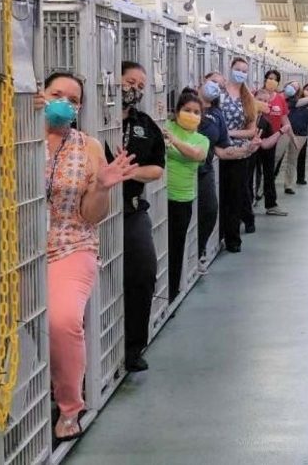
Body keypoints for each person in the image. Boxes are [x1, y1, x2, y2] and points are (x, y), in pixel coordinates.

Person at [36, 72, 137, 440]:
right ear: (40, 96)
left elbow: (92, 216)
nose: (63, 102)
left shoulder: (89, 146)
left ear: (79, 108)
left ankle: (68, 407)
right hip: (13, 248)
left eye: (73, 99)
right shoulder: (13, 137)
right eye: (55, 94)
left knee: (63, 320)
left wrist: (101, 186)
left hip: (71, 242)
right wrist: (19, 118)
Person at [116, 61, 166, 373]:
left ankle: (133, 348)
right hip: (87, 213)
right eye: (130, 81)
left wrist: (127, 172)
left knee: (143, 274)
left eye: (140, 85)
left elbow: (158, 167)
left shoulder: (145, 124)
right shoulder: (85, 118)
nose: (134, 89)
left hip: (131, 209)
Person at [197, 73, 259, 269]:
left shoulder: (217, 114)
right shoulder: (189, 103)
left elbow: (222, 149)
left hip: (205, 168)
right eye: (213, 82)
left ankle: (208, 248)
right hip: (184, 170)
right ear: (202, 80)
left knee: (214, 207)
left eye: (220, 84)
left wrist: (245, 149)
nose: (216, 86)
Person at [165, 92, 209, 301]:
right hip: (158, 197)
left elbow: (197, 155)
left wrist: (172, 141)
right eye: (187, 110)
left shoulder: (202, 139)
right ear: (177, 112)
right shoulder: (165, 125)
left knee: (175, 248)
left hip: (181, 199)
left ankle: (171, 295)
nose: (192, 115)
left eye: (196, 112)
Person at [218, 57, 260, 252]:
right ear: (230, 68)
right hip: (216, 151)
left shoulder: (248, 97)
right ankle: (215, 239)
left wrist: (229, 133)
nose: (241, 73)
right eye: (238, 69)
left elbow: (252, 130)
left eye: (244, 70)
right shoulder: (219, 91)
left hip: (240, 153)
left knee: (235, 196)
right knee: (219, 196)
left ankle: (233, 239)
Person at [258, 69, 293, 215]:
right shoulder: (257, 94)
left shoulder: (280, 99)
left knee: (268, 172)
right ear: (265, 79)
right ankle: (246, 205)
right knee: (251, 172)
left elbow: (285, 120)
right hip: (255, 135)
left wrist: (293, 138)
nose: (271, 81)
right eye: (269, 78)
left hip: (271, 137)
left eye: (275, 79)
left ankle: (271, 205)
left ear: (278, 82)